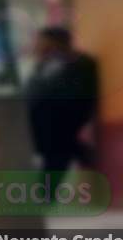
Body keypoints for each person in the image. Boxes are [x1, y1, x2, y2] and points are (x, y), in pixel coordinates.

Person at [25, 27, 97, 191]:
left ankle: (43, 196)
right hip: (41, 122)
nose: (37, 45)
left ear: (54, 42)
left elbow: (78, 94)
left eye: (41, 41)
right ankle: (80, 151)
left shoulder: (80, 63)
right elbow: (34, 90)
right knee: (57, 153)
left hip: (61, 119)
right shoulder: (44, 64)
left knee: (57, 155)